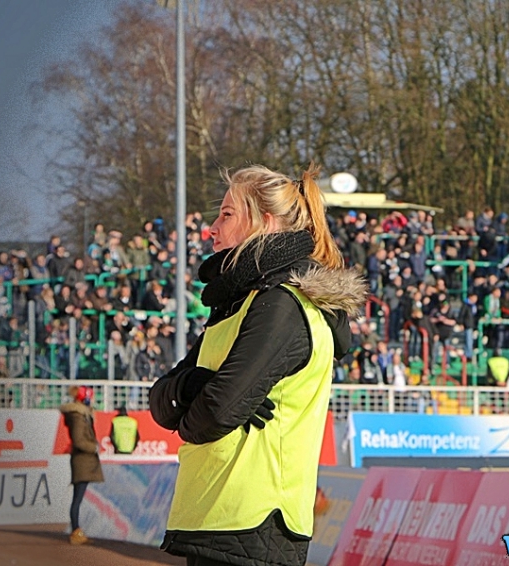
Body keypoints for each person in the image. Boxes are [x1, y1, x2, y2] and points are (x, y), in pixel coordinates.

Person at [149, 163, 366, 566]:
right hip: (222, 519)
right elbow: (161, 400)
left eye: (227, 214)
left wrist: (194, 399)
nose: (212, 227)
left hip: (254, 522)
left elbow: (213, 415)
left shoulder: (281, 305)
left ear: (265, 223)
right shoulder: (241, 303)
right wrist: (192, 385)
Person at [59, 385, 104, 545]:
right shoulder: (78, 416)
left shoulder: (80, 415)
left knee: (78, 498)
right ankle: (75, 531)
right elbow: (79, 440)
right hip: (83, 461)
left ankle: (76, 530)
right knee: (77, 498)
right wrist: (94, 447)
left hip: (83, 461)